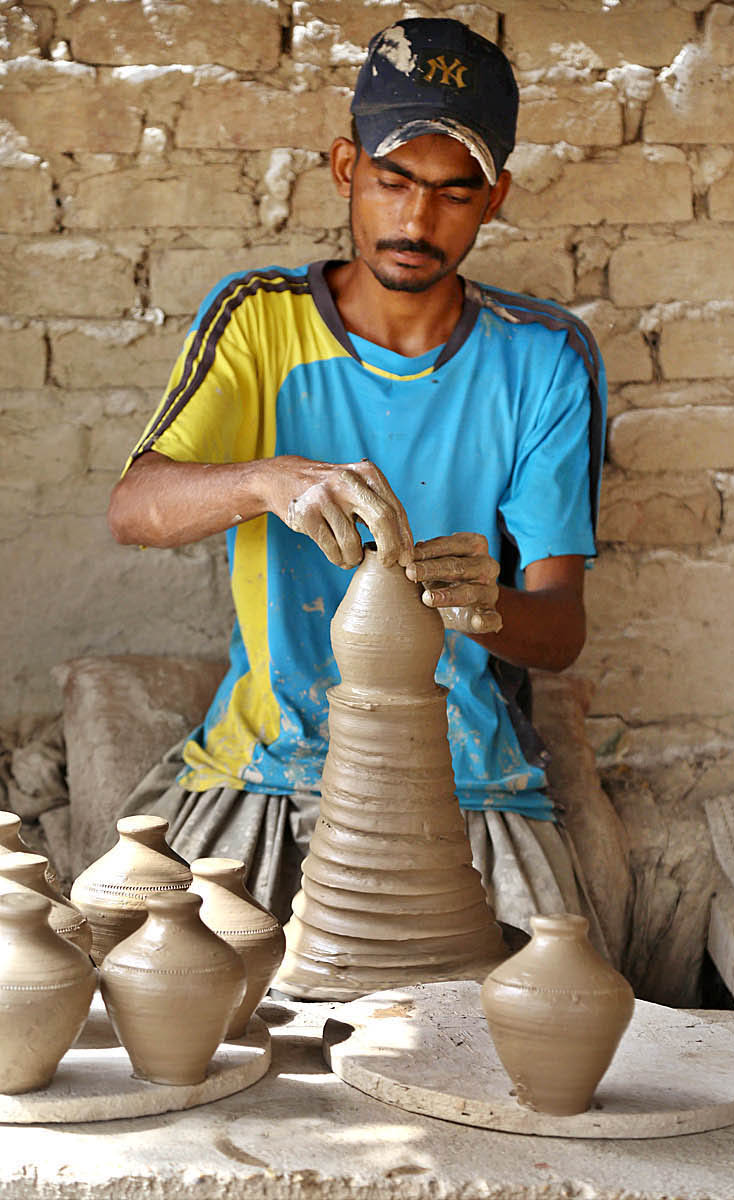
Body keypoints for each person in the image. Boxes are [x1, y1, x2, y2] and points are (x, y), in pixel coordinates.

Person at [108, 18, 607, 950]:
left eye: (455, 194)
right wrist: (265, 480)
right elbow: (133, 510)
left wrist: (481, 604)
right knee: (159, 989)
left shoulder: (544, 360)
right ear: (345, 168)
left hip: (462, 775)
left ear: (494, 198)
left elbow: (561, 631)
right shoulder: (258, 321)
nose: (418, 223)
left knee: (544, 1023)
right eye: (394, 182)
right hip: (264, 764)